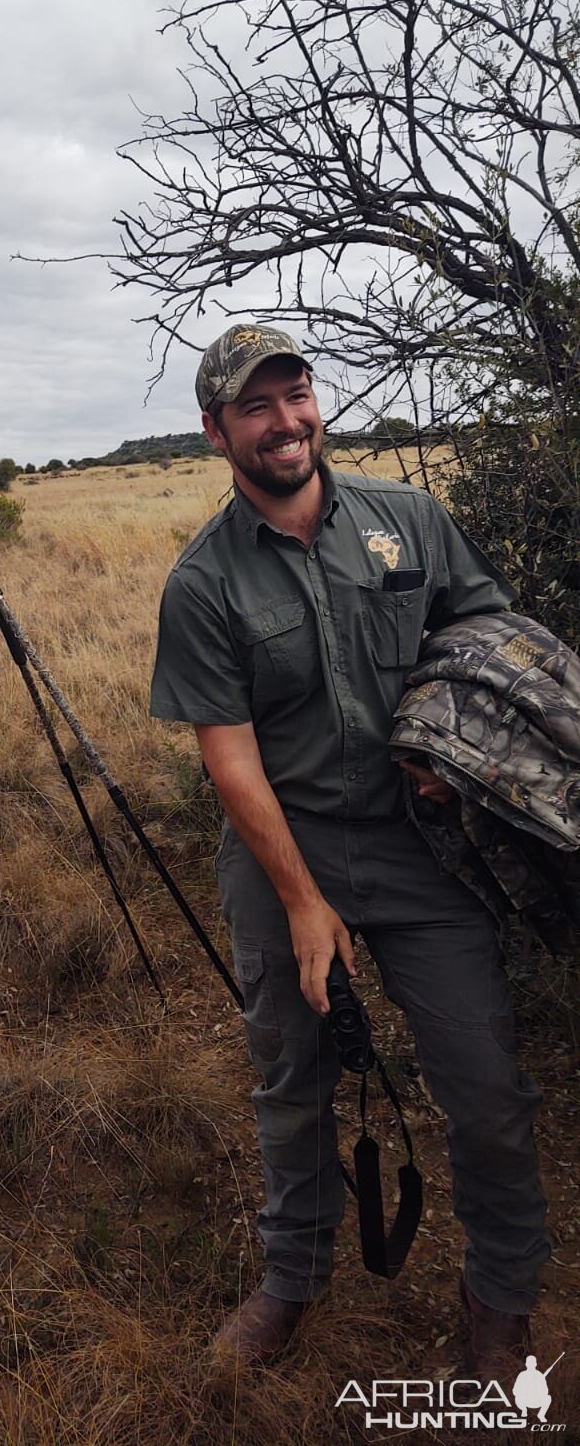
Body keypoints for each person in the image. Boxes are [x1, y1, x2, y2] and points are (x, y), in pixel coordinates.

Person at [149, 324, 550, 1378]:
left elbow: (488, 640)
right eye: (256, 406)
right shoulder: (203, 583)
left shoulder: (408, 518)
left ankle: (500, 1293)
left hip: (425, 850)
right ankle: (294, 1276)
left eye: (296, 394)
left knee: (486, 1085)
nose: (286, 421)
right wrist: (302, 899)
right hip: (285, 843)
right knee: (291, 1079)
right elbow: (230, 762)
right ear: (215, 432)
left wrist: (451, 749)